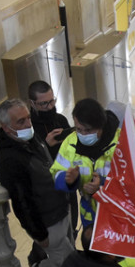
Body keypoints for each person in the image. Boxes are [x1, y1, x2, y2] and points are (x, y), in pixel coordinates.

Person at [0, 98, 72, 267]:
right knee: (62, 262)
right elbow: (22, 203)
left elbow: (45, 166)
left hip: (61, 209)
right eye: (20, 121)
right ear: (6, 126)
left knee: (68, 254)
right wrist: (39, 234)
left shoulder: (30, 139)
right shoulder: (9, 161)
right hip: (47, 221)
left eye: (28, 118)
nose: (28, 124)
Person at [50, 98, 121, 230]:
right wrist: (69, 180)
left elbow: (131, 182)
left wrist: (101, 187)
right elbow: (55, 173)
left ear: (101, 127)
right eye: (78, 129)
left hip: (118, 216)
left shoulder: (120, 143)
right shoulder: (70, 142)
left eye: (88, 130)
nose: (82, 134)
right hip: (89, 216)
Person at [28, 80, 80, 235]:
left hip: (67, 179)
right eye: (44, 104)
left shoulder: (60, 120)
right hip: (46, 186)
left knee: (72, 222)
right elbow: (30, 162)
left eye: (52, 101)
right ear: (32, 103)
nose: (49, 107)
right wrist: (45, 145)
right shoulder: (29, 128)